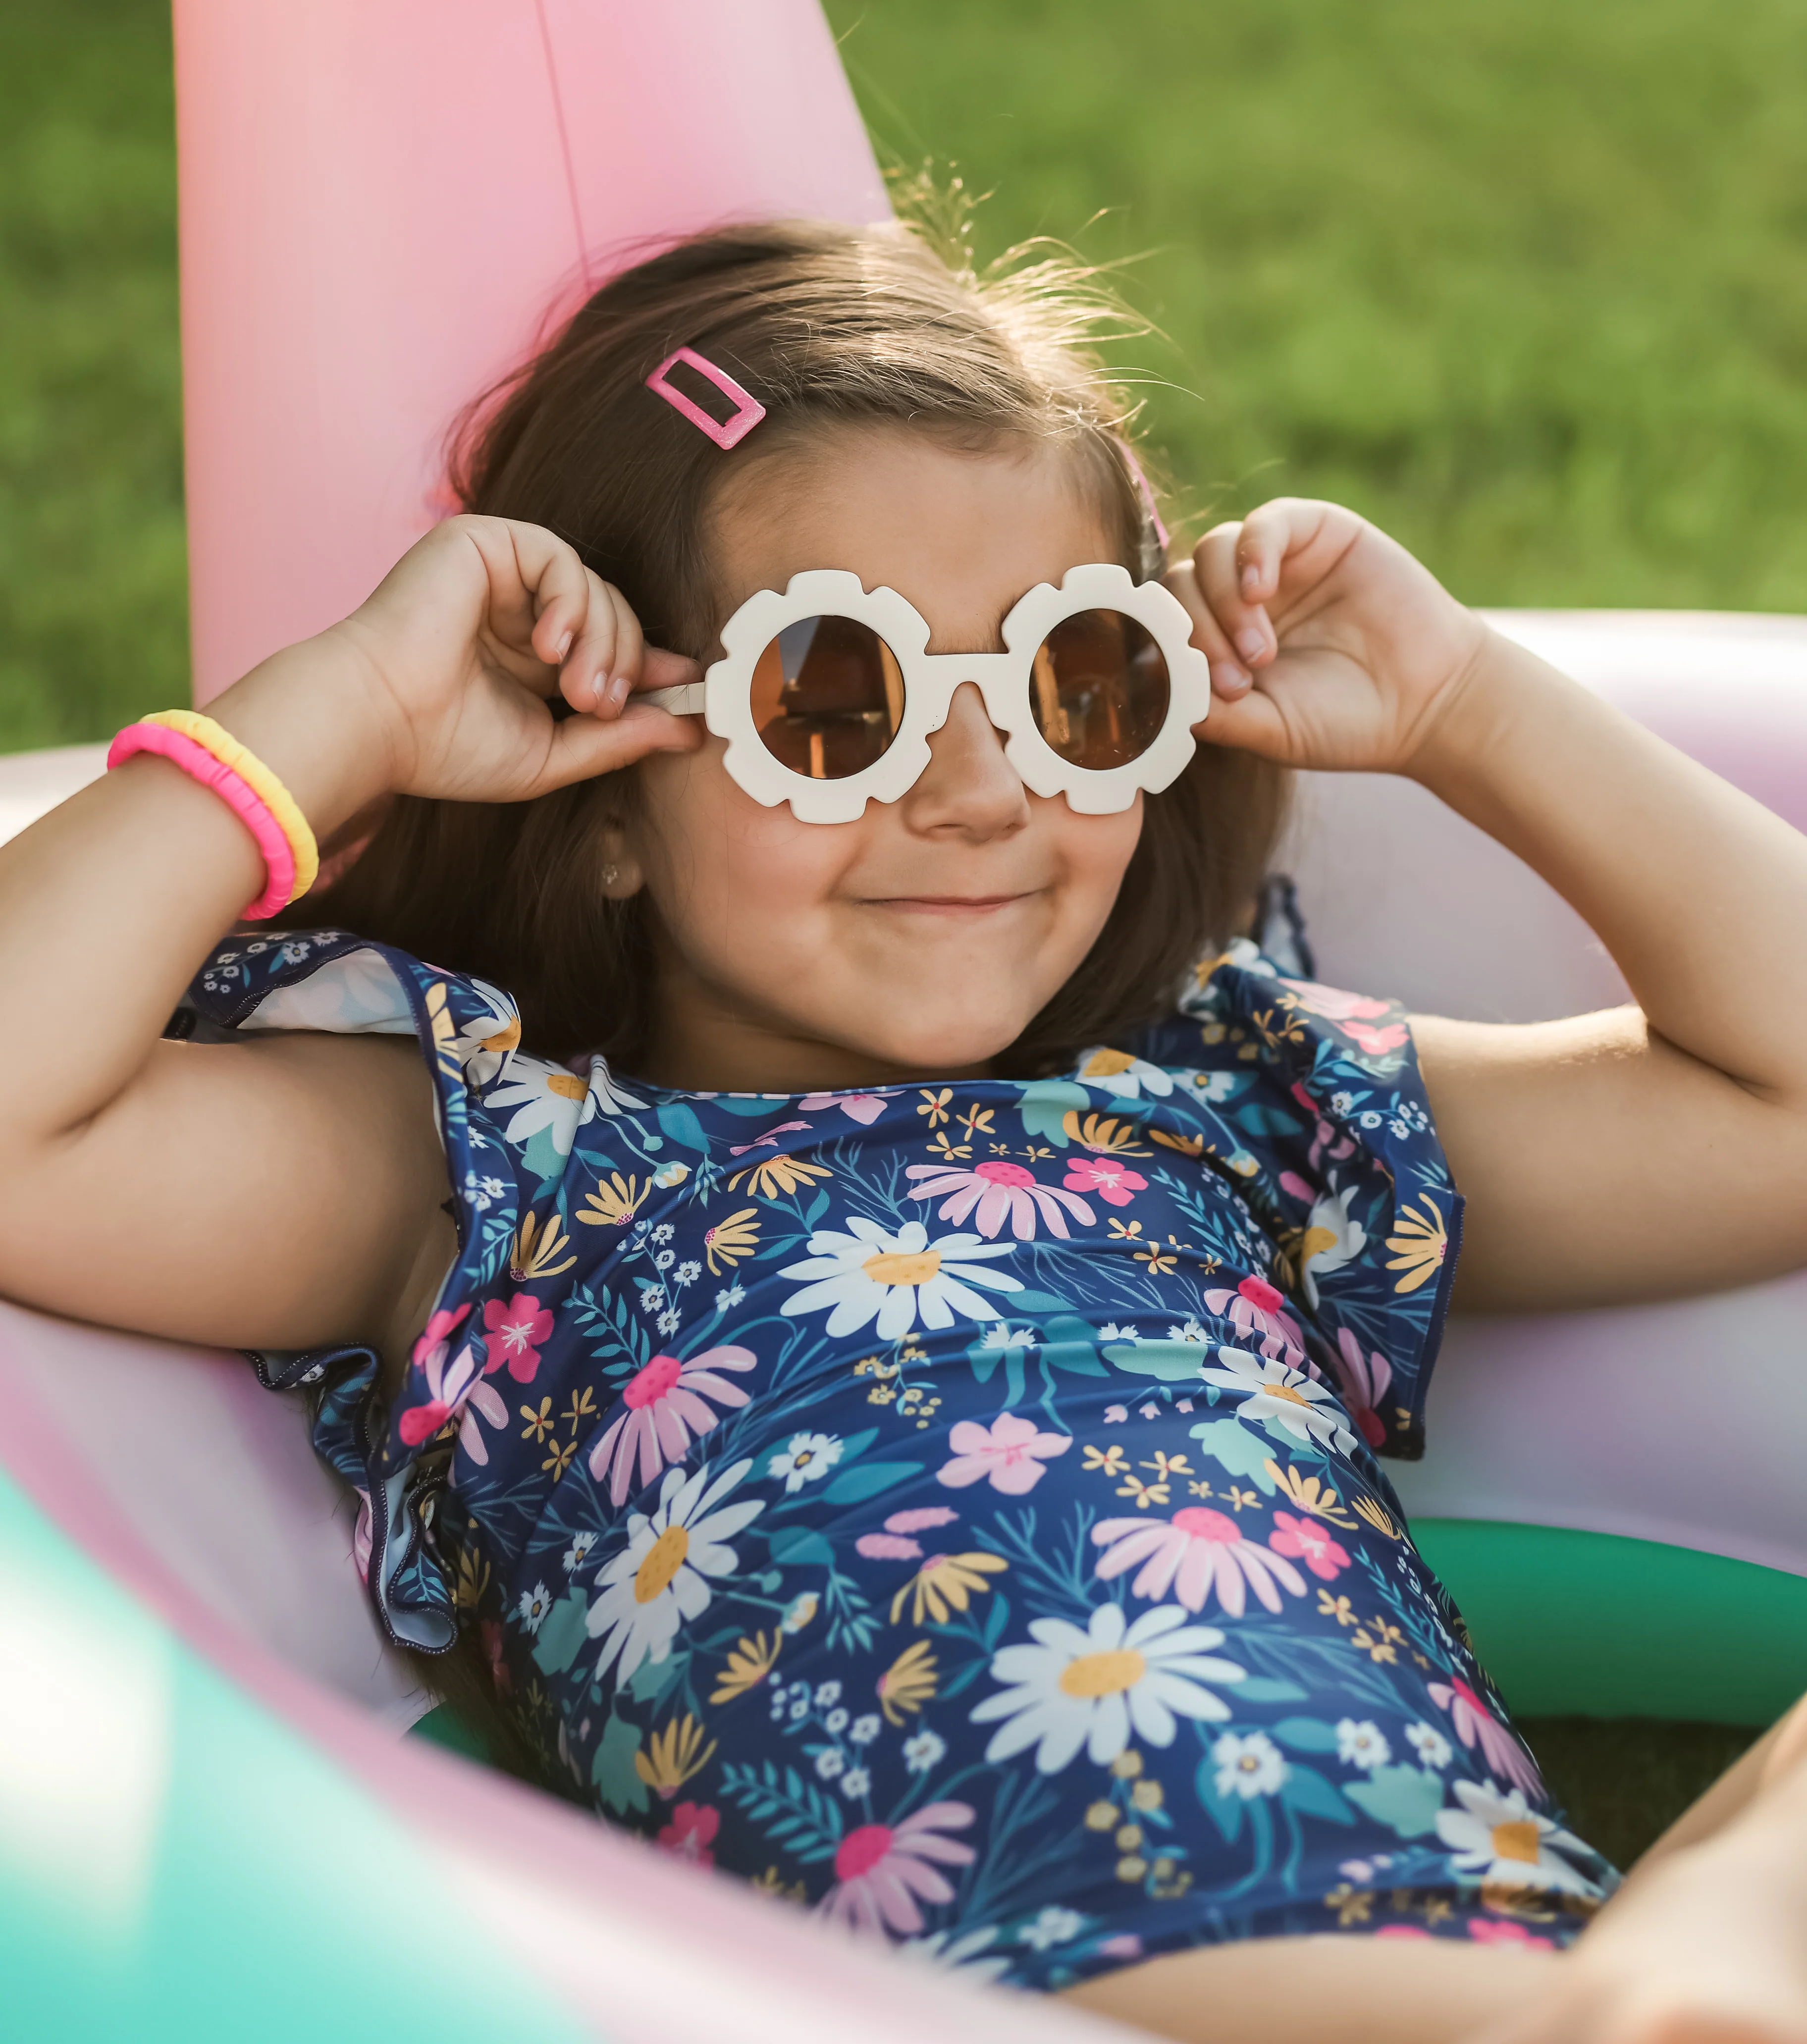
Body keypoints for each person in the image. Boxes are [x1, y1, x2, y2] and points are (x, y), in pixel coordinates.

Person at [5, 217, 1807, 2044]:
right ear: (602, 773)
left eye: (1075, 683)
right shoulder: (498, 1166)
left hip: (1481, 1948)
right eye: (833, 700)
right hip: (1010, 1977)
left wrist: (1463, 703)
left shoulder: (1221, 1097)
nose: (978, 794)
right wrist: (348, 711)